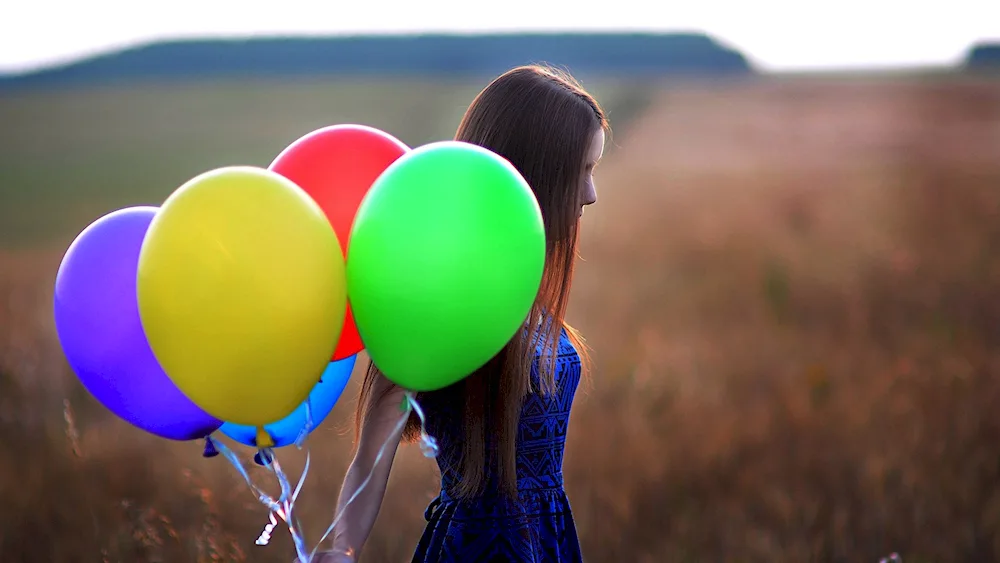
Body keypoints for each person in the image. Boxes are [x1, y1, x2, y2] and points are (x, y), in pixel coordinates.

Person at [313, 64, 608, 563]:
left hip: (549, 543)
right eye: (579, 172)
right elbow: (370, 457)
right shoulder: (444, 294)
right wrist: (340, 548)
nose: (590, 195)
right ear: (535, 172)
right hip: (482, 549)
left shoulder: (520, 289)